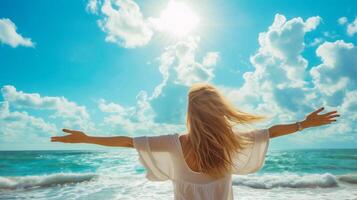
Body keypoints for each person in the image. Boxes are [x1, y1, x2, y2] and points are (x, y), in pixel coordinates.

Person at [51, 82, 340, 200]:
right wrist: (304, 124)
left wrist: (87, 138)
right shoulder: (231, 141)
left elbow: (128, 142)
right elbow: (272, 132)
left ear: (190, 113)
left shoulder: (173, 142)